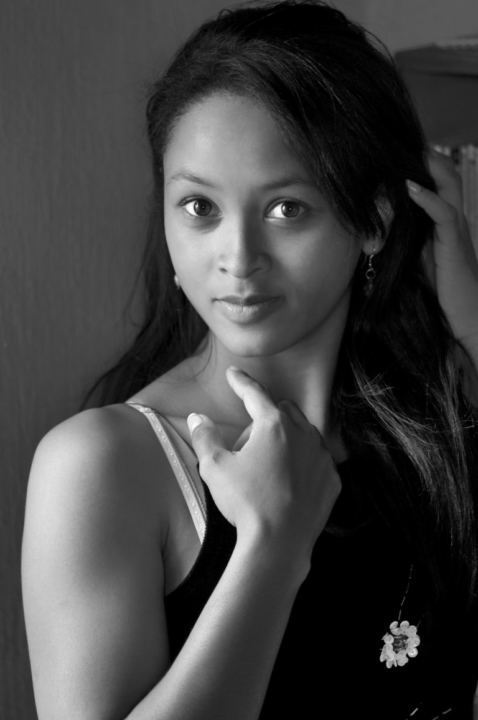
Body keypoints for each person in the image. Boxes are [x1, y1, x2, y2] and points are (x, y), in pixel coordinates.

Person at [21, 1, 478, 718]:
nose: (237, 258)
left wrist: (470, 322)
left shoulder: (434, 427)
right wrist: (271, 548)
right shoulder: (103, 466)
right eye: (199, 207)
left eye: (286, 208)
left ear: (374, 221)